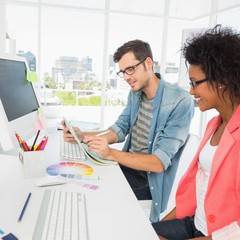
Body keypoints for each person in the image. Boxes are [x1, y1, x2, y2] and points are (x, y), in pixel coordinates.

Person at [62, 39, 194, 222]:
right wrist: (82, 135)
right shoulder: (135, 93)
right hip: (126, 166)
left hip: (147, 180)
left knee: (91, 196)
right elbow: (120, 129)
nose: (126, 77)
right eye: (123, 72)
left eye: (130, 69)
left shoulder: (180, 101)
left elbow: (158, 163)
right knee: (80, 179)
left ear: (148, 63)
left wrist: (110, 154)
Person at [152, 25, 240, 239]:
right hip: (193, 224)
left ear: (221, 81)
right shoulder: (214, 124)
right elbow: (199, 189)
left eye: (195, 83)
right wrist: (156, 228)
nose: (191, 91)